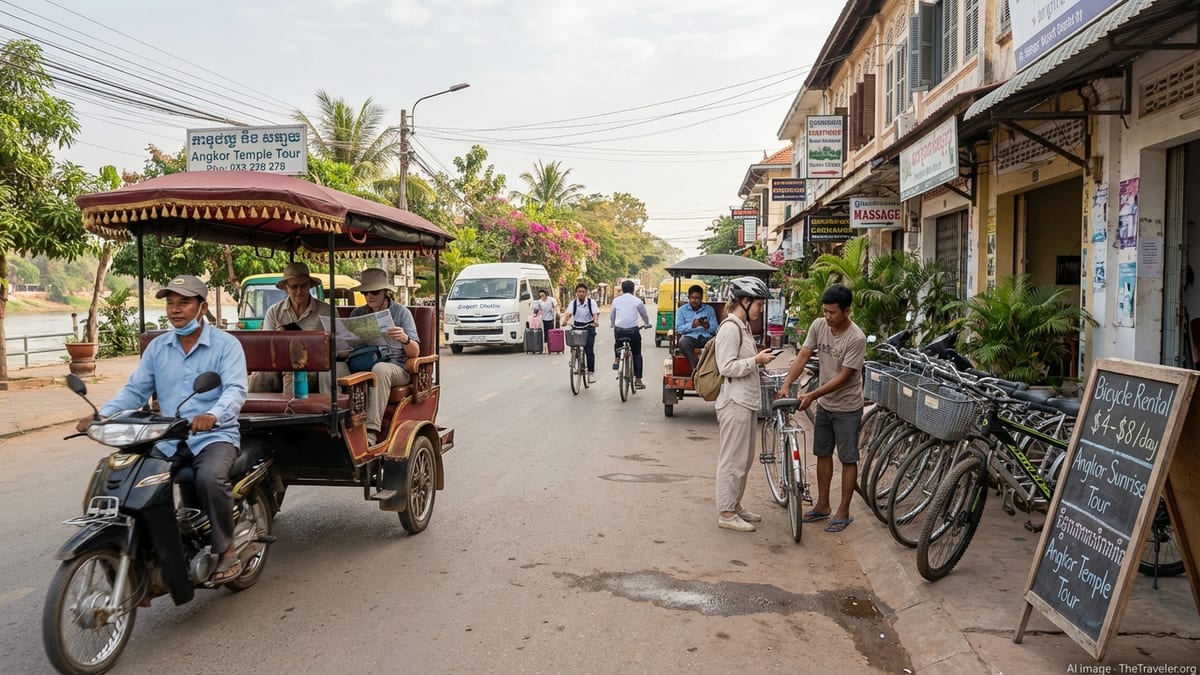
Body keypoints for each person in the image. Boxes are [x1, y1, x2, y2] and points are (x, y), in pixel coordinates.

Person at [77, 275, 248, 582]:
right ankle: (156, 546)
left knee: (209, 478)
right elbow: (135, 390)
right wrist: (101, 416)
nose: (175, 310)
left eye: (184, 303)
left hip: (213, 436)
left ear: (202, 307)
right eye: (170, 303)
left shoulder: (226, 345)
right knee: (134, 480)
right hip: (167, 438)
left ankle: (226, 550)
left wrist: (213, 414)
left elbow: (235, 390)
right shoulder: (158, 348)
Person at [778, 284, 866, 534]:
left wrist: (813, 394)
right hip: (826, 405)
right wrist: (787, 384)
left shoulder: (856, 338)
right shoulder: (819, 326)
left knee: (848, 459)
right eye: (825, 311)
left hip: (848, 406)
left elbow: (845, 378)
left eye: (833, 313)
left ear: (847, 311)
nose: (827, 317)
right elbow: (803, 355)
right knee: (822, 453)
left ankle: (844, 511)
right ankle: (823, 504)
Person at [713, 277, 777, 532]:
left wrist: (758, 362)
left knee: (745, 459)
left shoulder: (744, 326)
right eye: (759, 304)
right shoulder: (730, 328)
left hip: (746, 401)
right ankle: (726, 513)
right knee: (733, 459)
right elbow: (726, 366)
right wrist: (757, 361)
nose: (761, 309)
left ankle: (735, 504)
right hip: (734, 401)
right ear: (745, 301)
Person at [350, 268, 420, 446]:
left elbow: (415, 352)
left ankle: (371, 431)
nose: (369, 297)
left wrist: (404, 338)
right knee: (332, 370)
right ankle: (336, 423)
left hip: (394, 367)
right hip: (361, 363)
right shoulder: (357, 314)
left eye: (374, 292)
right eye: (365, 292)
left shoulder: (401, 313)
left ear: (385, 292)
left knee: (380, 370)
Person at [250, 262, 337, 394]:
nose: (299, 291)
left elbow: (337, 345)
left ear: (309, 286)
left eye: (303, 286)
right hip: (278, 365)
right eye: (293, 287)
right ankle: (249, 412)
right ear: (286, 287)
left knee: (293, 374)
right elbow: (266, 348)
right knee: (259, 376)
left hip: (312, 367)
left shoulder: (326, 311)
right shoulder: (274, 312)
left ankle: (291, 413)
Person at [610, 279, 651, 388]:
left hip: (619, 330)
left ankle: (617, 359)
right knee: (637, 354)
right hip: (633, 331)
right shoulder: (637, 301)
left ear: (622, 289)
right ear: (633, 289)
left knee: (617, 344)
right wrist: (647, 324)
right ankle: (638, 380)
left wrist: (613, 324)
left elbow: (612, 314)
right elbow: (644, 315)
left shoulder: (616, 300)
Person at [674, 284, 718, 371]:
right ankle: (696, 367)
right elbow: (679, 328)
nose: (694, 300)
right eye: (692, 298)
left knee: (717, 342)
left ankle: (711, 368)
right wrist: (692, 325)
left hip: (706, 338)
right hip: (690, 338)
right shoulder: (681, 310)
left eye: (697, 298)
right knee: (683, 342)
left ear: (701, 298)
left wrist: (707, 326)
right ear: (689, 297)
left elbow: (715, 328)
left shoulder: (709, 309)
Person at [561, 282, 599, 383]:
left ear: (586, 293)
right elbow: (568, 313)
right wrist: (565, 321)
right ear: (576, 293)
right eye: (579, 291)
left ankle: (591, 373)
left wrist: (595, 321)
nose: (581, 293)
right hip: (577, 325)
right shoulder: (573, 303)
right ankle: (576, 360)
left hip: (589, 326)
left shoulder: (591, 303)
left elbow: (595, 313)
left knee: (589, 350)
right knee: (574, 346)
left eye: (583, 291)